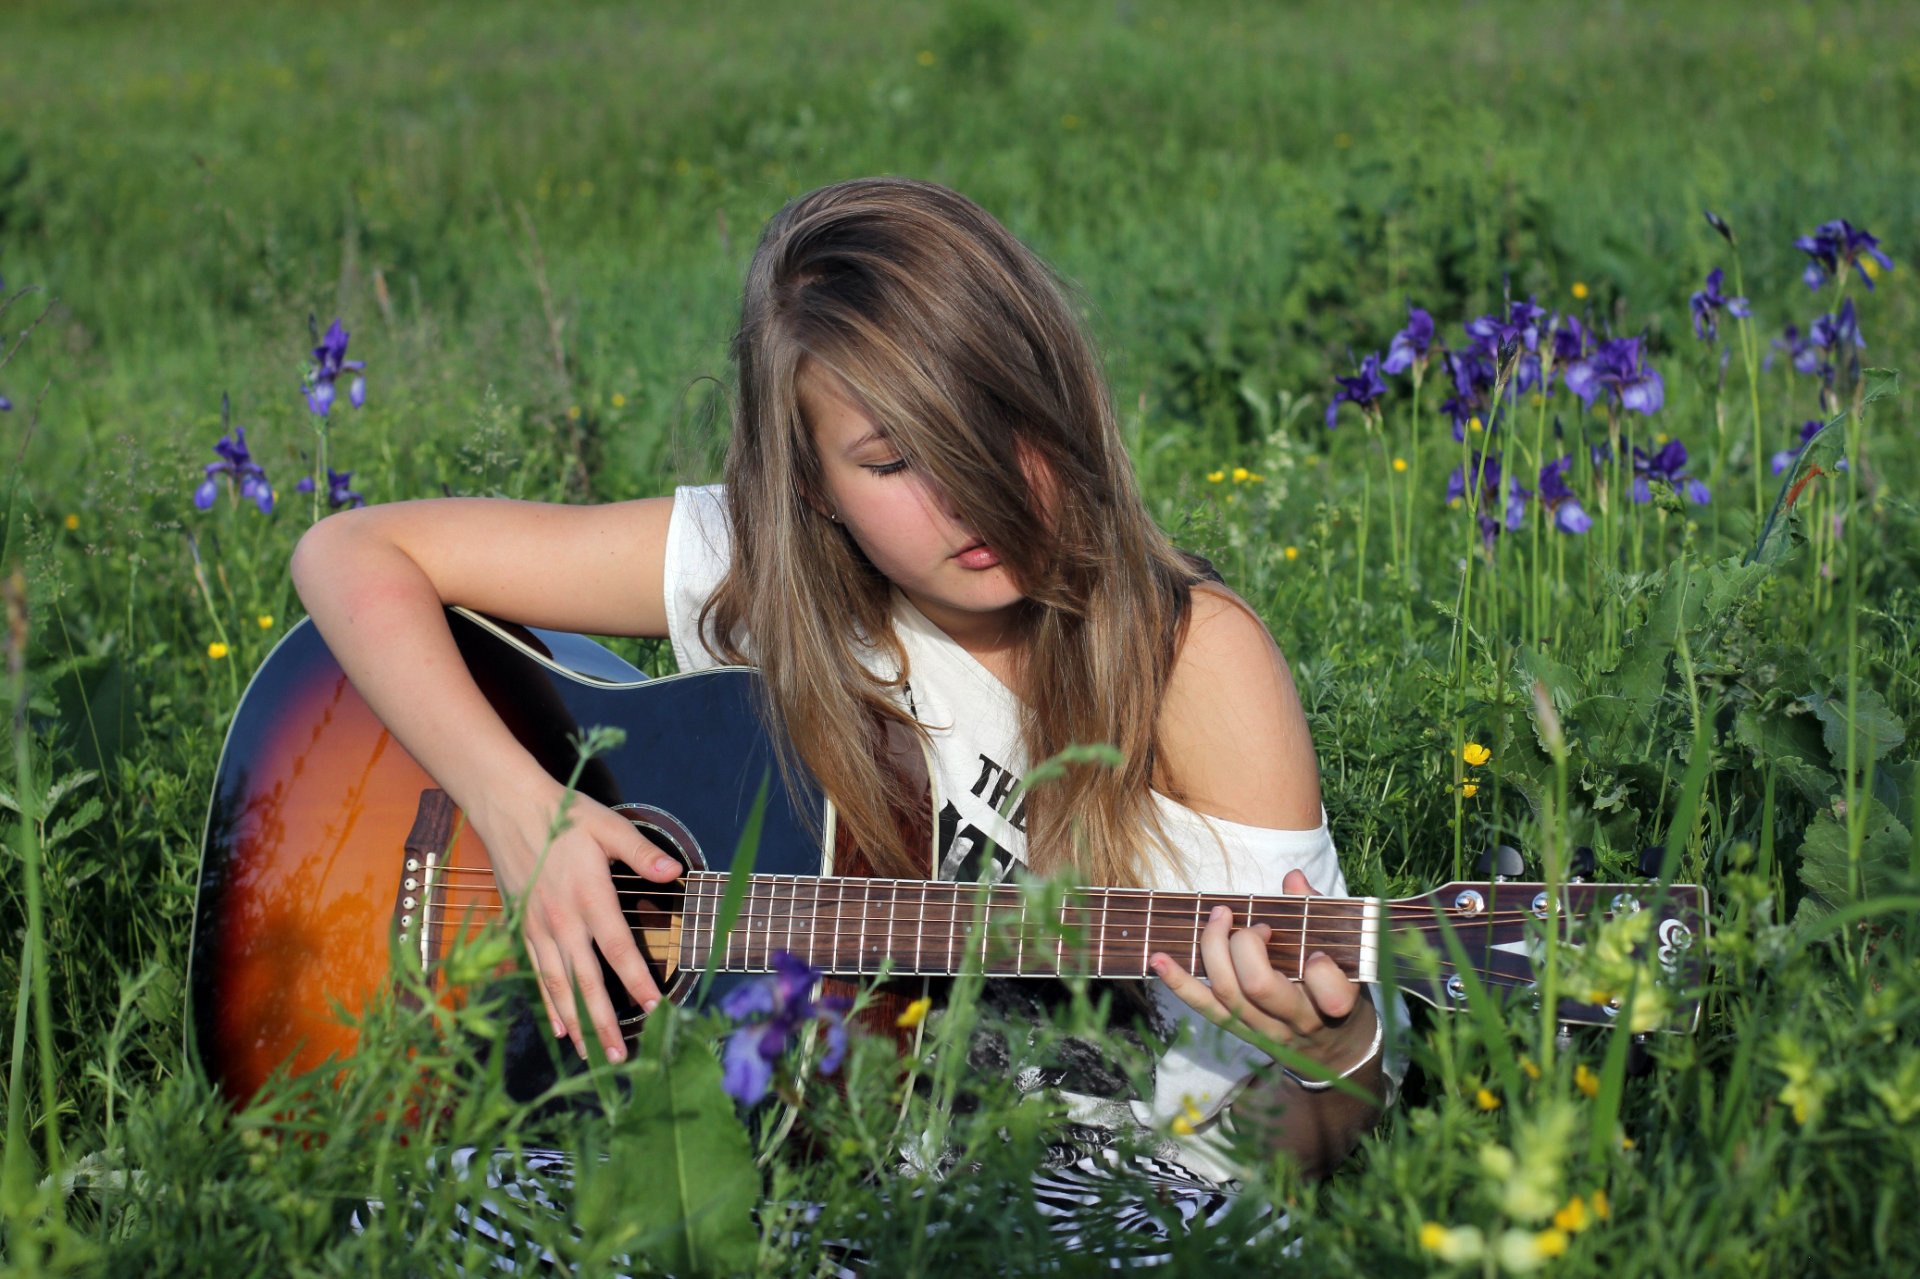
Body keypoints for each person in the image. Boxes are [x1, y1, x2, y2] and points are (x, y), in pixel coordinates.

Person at [292, 177, 1395, 1252]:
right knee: (410, 1208)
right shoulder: (770, 572)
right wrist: (517, 803)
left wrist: (1337, 1052)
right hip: (789, 1160)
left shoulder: (1190, 661)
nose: (966, 498)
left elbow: (1291, 1135)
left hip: (1092, 1196)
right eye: (892, 461)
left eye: (998, 425)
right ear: (811, 485)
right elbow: (350, 551)